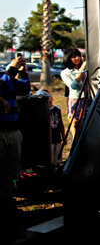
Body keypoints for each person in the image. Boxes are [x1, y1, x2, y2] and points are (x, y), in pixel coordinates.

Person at [0, 56, 30, 241]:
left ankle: (6, 210)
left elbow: (23, 88)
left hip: (13, 131)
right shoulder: (5, 77)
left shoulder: (5, 76)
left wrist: (21, 70)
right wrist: (12, 69)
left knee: (8, 176)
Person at [61, 48, 87, 141]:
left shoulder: (86, 69)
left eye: (78, 56)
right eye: (73, 57)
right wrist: (82, 70)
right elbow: (73, 86)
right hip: (76, 100)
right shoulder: (65, 72)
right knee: (75, 126)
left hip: (87, 99)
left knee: (84, 127)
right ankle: (74, 150)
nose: (77, 58)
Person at [36, 89, 65, 168]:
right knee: (50, 158)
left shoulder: (57, 109)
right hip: (49, 139)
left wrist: (63, 136)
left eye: (50, 95)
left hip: (57, 137)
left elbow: (61, 123)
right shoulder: (42, 111)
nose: (50, 98)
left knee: (57, 157)